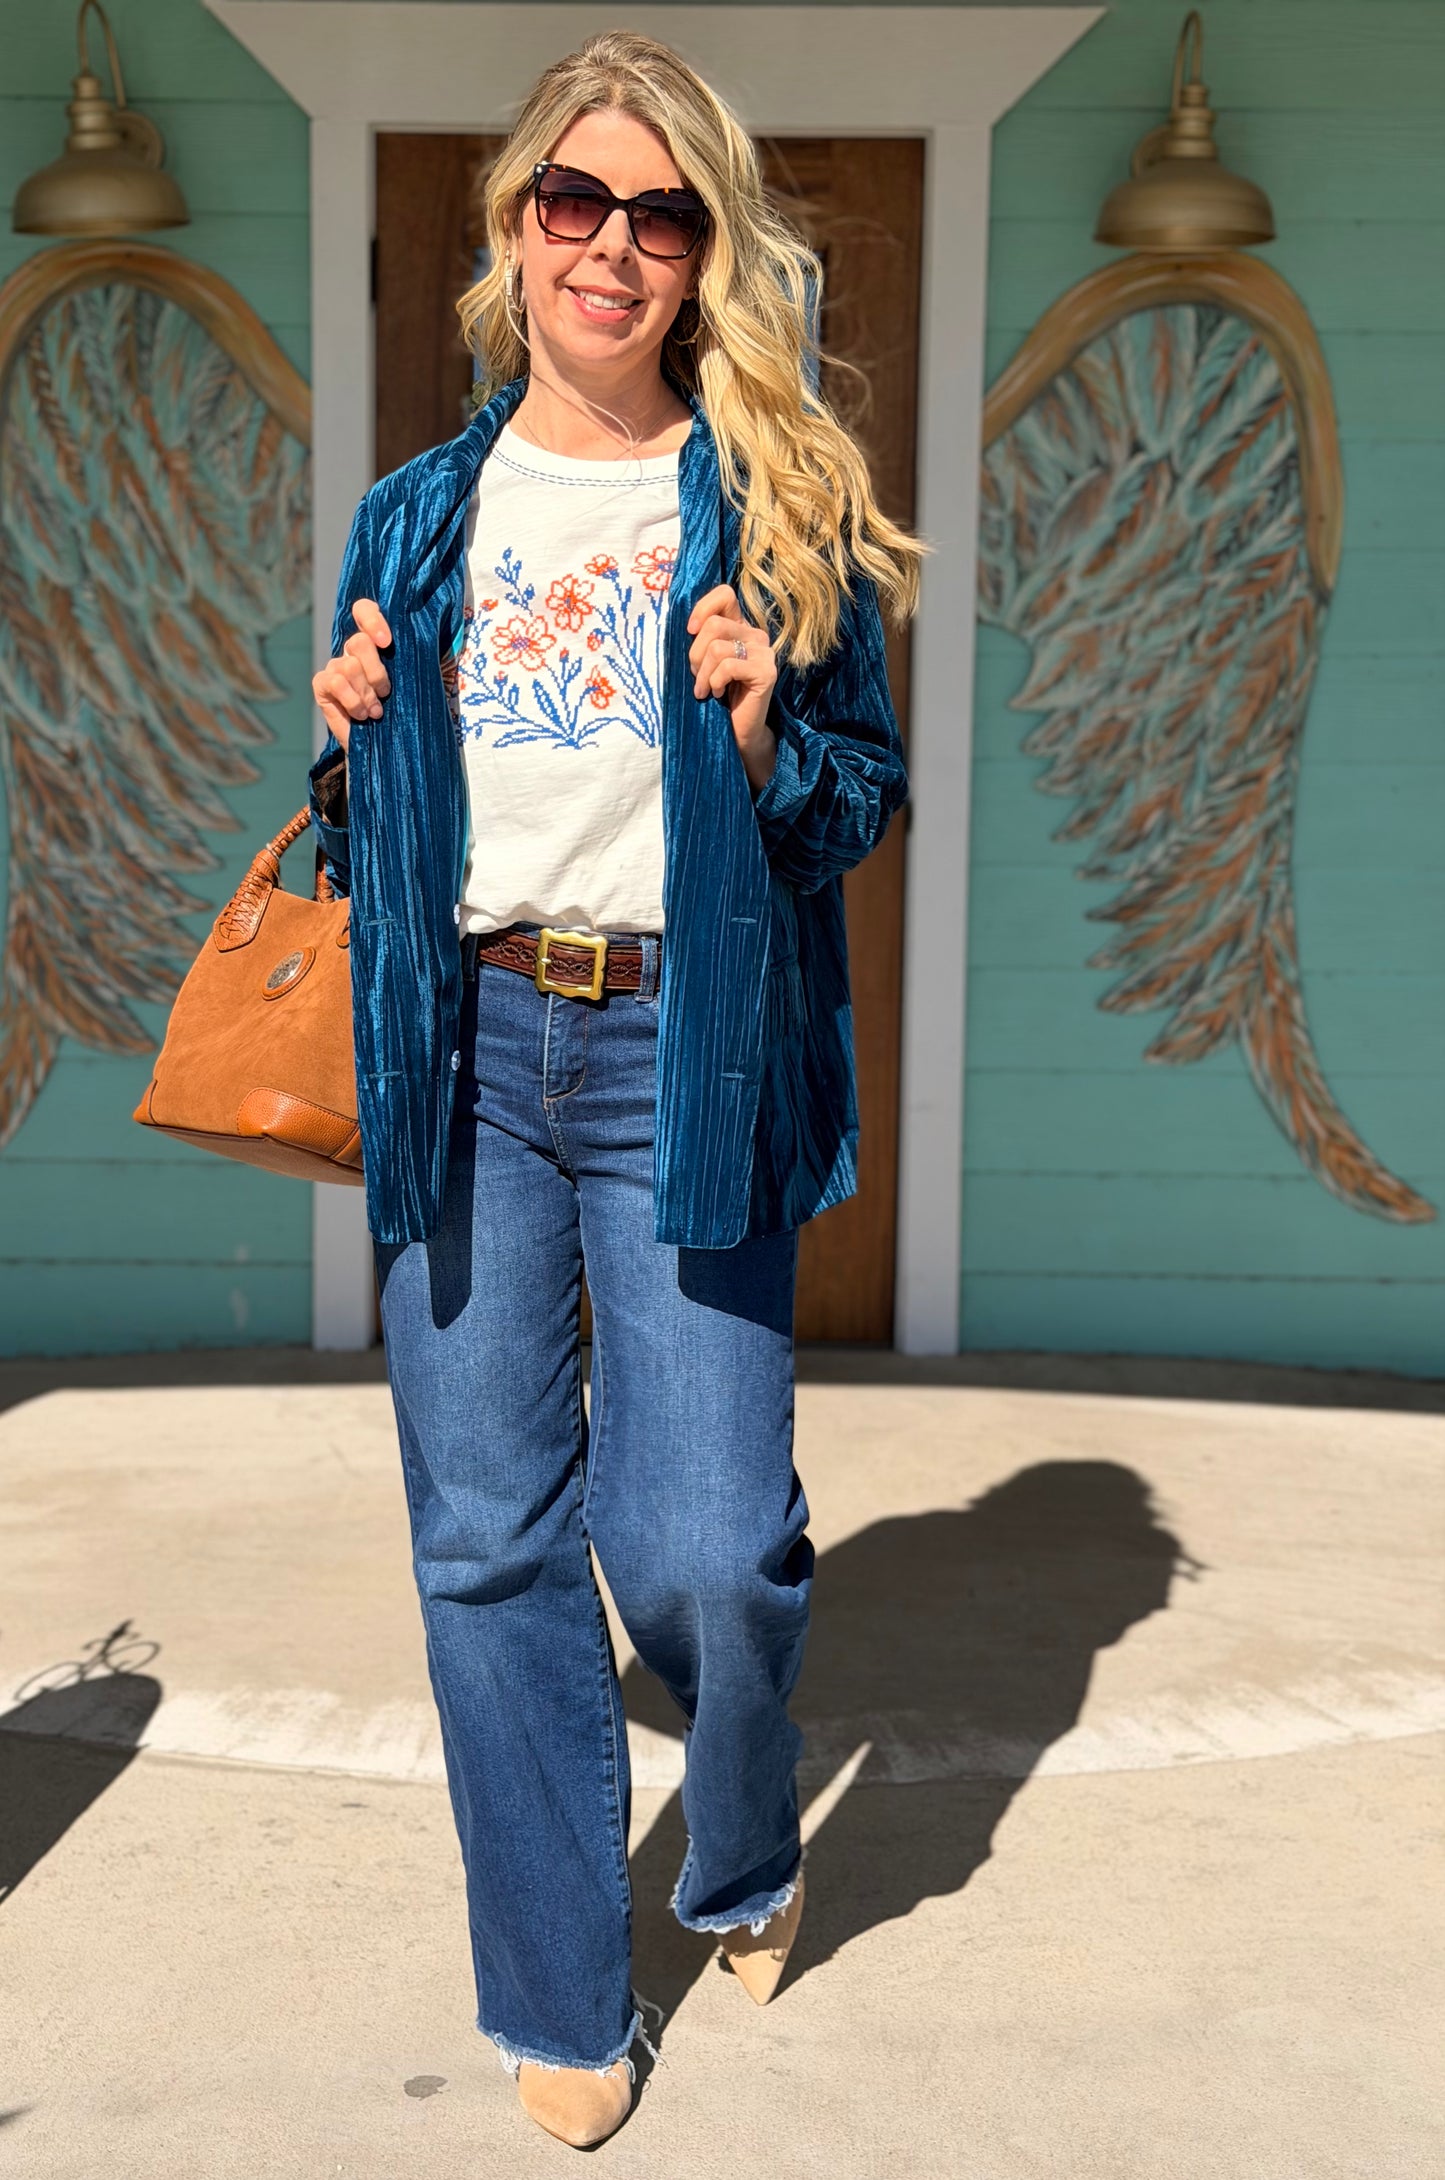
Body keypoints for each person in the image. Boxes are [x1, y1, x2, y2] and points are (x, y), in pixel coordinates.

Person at [308, 29, 922, 2150]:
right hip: (465, 1045)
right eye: (575, 201)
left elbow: (864, 796)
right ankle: (563, 1989)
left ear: (702, 255)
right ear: (510, 231)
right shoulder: (419, 511)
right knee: (487, 1544)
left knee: (708, 1549)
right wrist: (354, 718)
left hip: (682, 1042)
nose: (615, 244)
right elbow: (377, 810)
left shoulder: (770, 500)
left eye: (661, 214)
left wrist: (765, 736)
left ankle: (739, 1840)